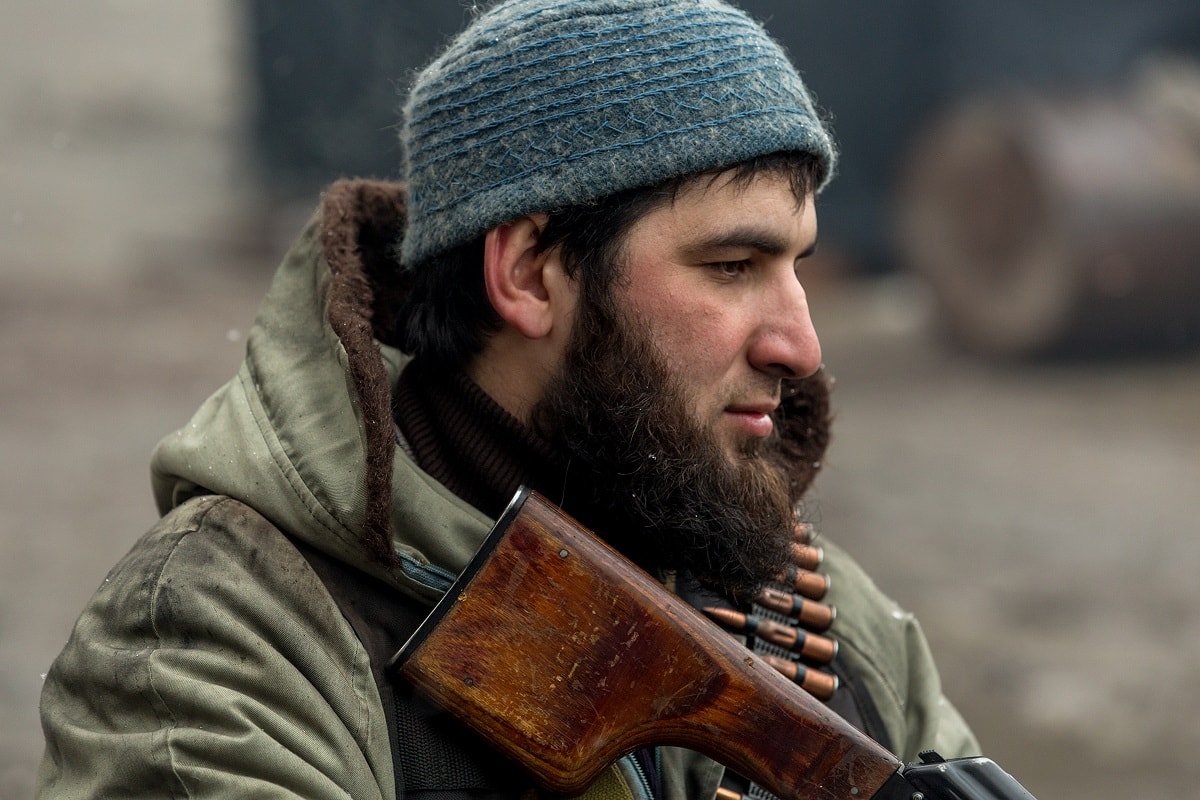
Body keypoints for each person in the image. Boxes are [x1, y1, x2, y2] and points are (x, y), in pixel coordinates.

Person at [37, 1, 978, 798]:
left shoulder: (827, 620)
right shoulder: (226, 636)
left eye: (796, 264)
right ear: (528, 273)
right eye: (732, 265)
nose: (802, 347)